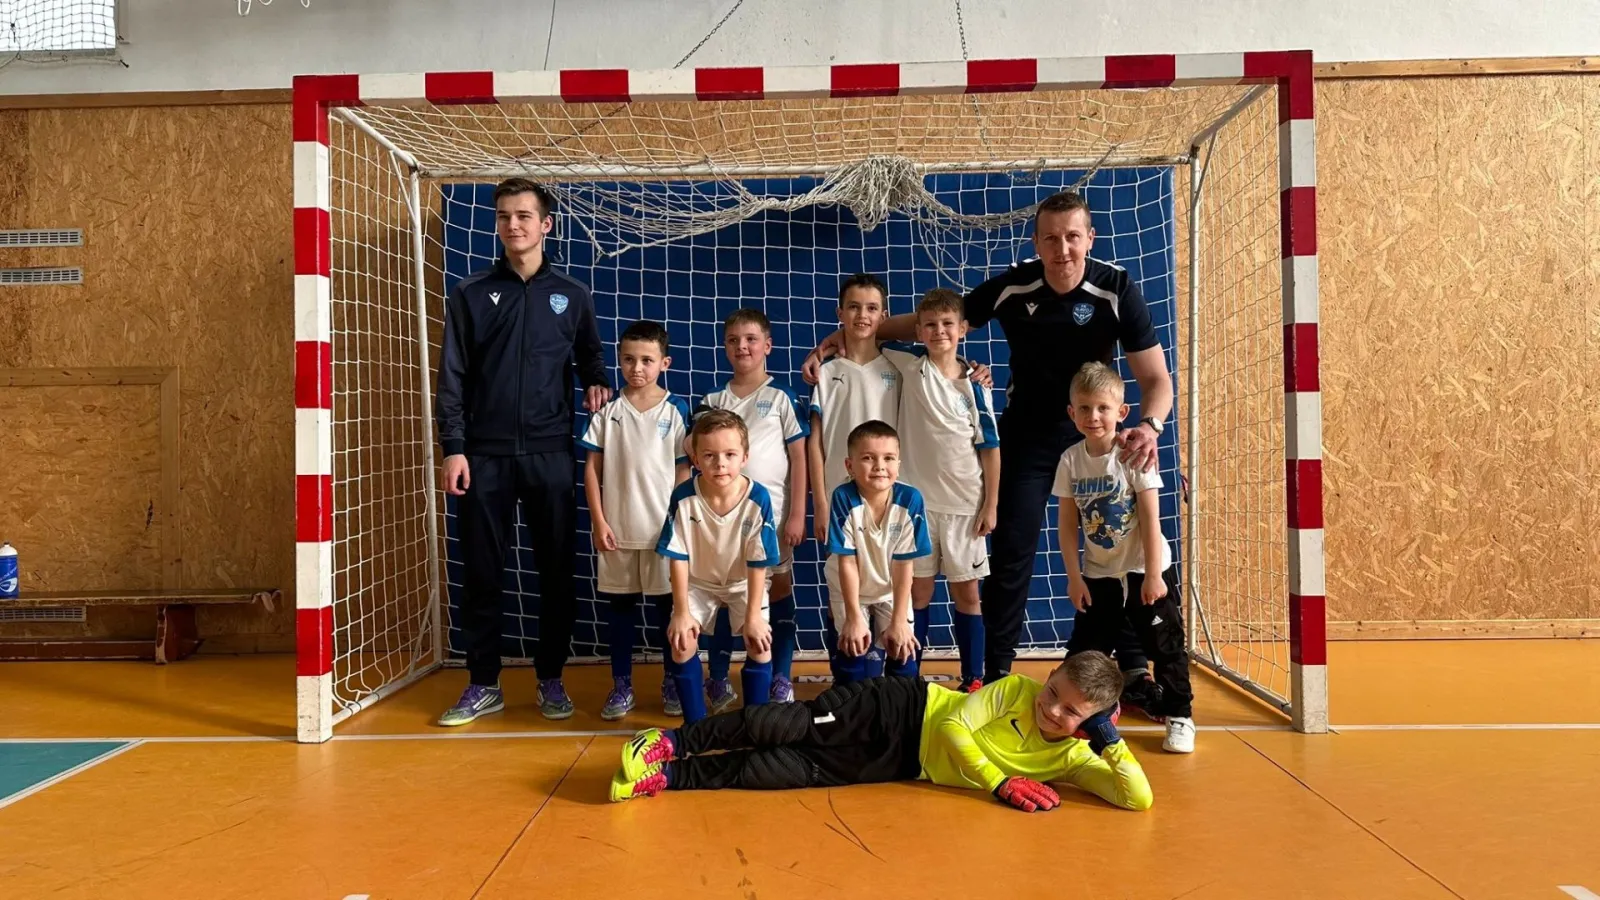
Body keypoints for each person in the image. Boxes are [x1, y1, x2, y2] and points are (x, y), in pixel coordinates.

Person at [802, 190, 1175, 694]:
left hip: (1097, 435)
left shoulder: (1116, 288)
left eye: (1072, 237)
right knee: (1013, 553)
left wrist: (1149, 426)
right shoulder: (1015, 284)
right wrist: (855, 336)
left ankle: (1131, 666)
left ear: (1089, 238)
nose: (1062, 248)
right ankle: (996, 673)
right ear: (1036, 242)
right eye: (1050, 238)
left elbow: (1156, 380)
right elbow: (943, 321)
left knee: (1118, 547)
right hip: (1029, 434)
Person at [435, 177, 611, 726]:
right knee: (482, 573)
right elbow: (452, 375)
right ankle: (482, 682)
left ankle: (551, 678)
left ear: (545, 225)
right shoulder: (470, 293)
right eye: (505, 216)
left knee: (556, 571)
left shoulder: (572, 295)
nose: (513, 224)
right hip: (482, 456)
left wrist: (596, 381)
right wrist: (454, 448)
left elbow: (591, 358)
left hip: (549, 453)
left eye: (524, 216)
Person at [607, 649, 1152, 815]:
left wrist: (1110, 742)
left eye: (1072, 712)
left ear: (1094, 720)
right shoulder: (1015, 690)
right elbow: (955, 726)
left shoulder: (1072, 759)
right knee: (782, 725)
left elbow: (1137, 799)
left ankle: (668, 778)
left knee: (778, 771)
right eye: (1053, 692)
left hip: (902, 763)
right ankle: (669, 743)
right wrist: (998, 782)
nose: (1051, 710)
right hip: (902, 708)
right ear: (1048, 676)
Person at [1053, 362, 1194, 752]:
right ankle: (1082, 715)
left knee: (1165, 647)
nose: (1093, 416)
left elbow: (1151, 518)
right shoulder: (1070, 460)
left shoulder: (1132, 455)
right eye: (1084, 408)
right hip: (1099, 575)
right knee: (1084, 652)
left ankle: (1180, 715)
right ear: (1072, 413)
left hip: (1144, 570)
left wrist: (1153, 574)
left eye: (1103, 408)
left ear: (1121, 412)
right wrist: (1074, 577)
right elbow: (1067, 525)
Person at [578, 320, 693, 721]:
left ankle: (672, 680)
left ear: (664, 363)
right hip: (618, 532)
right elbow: (592, 469)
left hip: (663, 533)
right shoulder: (607, 410)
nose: (636, 368)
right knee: (620, 611)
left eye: (646, 360)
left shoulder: (677, 409)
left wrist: (678, 523)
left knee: (668, 611)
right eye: (628, 359)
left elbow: (683, 472)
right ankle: (621, 684)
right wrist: (599, 521)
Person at [694, 309, 810, 705]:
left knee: (778, 590)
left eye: (751, 339)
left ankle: (780, 675)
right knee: (724, 595)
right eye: (733, 340)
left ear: (768, 346)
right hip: (720, 521)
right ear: (725, 347)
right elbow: (693, 448)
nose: (742, 346)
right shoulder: (712, 401)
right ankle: (718, 677)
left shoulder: (782, 398)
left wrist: (797, 513)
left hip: (772, 518)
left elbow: (799, 458)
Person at [896, 288, 1000, 692]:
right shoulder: (908, 364)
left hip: (964, 508)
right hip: (918, 508)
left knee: (967, 594)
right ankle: (907, 680)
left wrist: (990, 504)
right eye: (930, 325)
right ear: (918, 331)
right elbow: (867, 336)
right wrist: (833, 341)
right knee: (916, 592)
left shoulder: (977, 386)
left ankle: (973, 677)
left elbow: (990, 450)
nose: (939, 331)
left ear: (963, 329)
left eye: (947, 324)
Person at [656, 409, 781, 723]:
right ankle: (696, 727)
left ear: (745, 457)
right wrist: (681, 611)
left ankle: (755, 724)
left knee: (759, 642)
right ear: (696, 459)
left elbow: (758, 563)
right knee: (682, 642)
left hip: (743, 583)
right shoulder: (684, 497)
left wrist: (753, 616)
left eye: (729, 454)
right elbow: (678, 557)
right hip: (698, 584)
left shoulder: (758, 498)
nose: (720, 463)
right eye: (710, 455)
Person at [824, 420, 930, 683]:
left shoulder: (910, 500)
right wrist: (853, 617)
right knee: (852, 647)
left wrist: (899, 621)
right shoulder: (843, 498)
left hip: (890, 590)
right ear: (849, 466)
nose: (880, 466)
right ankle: (848, 702)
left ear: (898, 465)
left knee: (902, 649)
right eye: (868, 458)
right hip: (850, 590)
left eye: (888, 458)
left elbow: (904, 565)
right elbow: (847, 563)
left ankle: (901, 704)